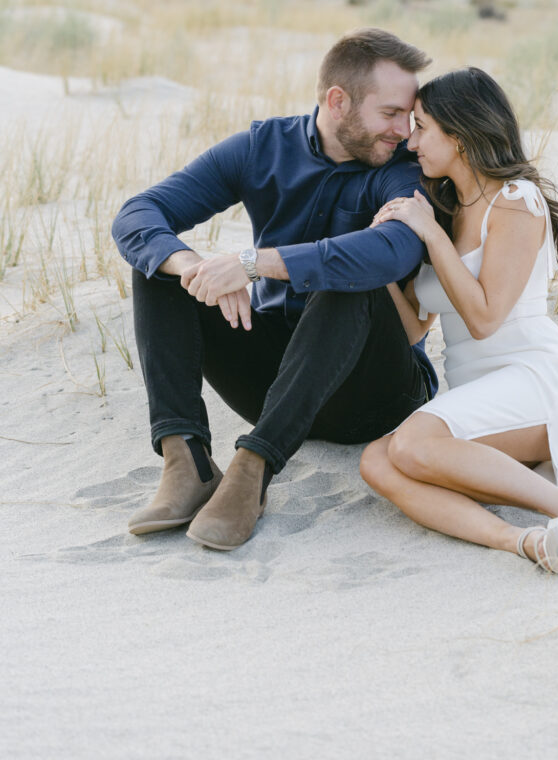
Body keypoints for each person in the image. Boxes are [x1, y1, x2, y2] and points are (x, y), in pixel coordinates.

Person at [112, 28, 437, 552]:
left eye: (410, 116)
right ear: (338, 101)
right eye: (391, 114)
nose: (405, 130)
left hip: (375, 395)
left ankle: (253, 469)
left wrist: (253, 263)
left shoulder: (401, 172)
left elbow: (394, 252)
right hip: (274, 384)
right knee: (161, 266)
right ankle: (186, 461)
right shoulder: (263, 148)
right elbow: (138, 215)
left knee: (350, 277)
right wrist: (195, 267)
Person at [360, 67, 558, 573]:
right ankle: (522, 541)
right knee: (376, 461)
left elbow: (485, 318)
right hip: (476, 397)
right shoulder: (442, 207)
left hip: (534, 383)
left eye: (422, 127)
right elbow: (413, 330)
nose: (410, 141)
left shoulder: (516, 202)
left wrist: (430, 235)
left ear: (460, 136)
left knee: (412, 444)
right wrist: (374, 266)